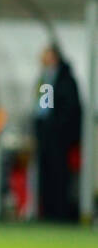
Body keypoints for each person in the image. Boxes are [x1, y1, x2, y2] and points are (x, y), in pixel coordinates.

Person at [35, 44, 81, 222]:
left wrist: (55, 127)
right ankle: (47, 211)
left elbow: (67, 109)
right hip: (47, 136)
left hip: (60, 138)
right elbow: (43, 108)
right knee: (46, 173)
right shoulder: (45, 79)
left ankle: (59, 212)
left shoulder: (64, 80)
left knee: (59, 174)